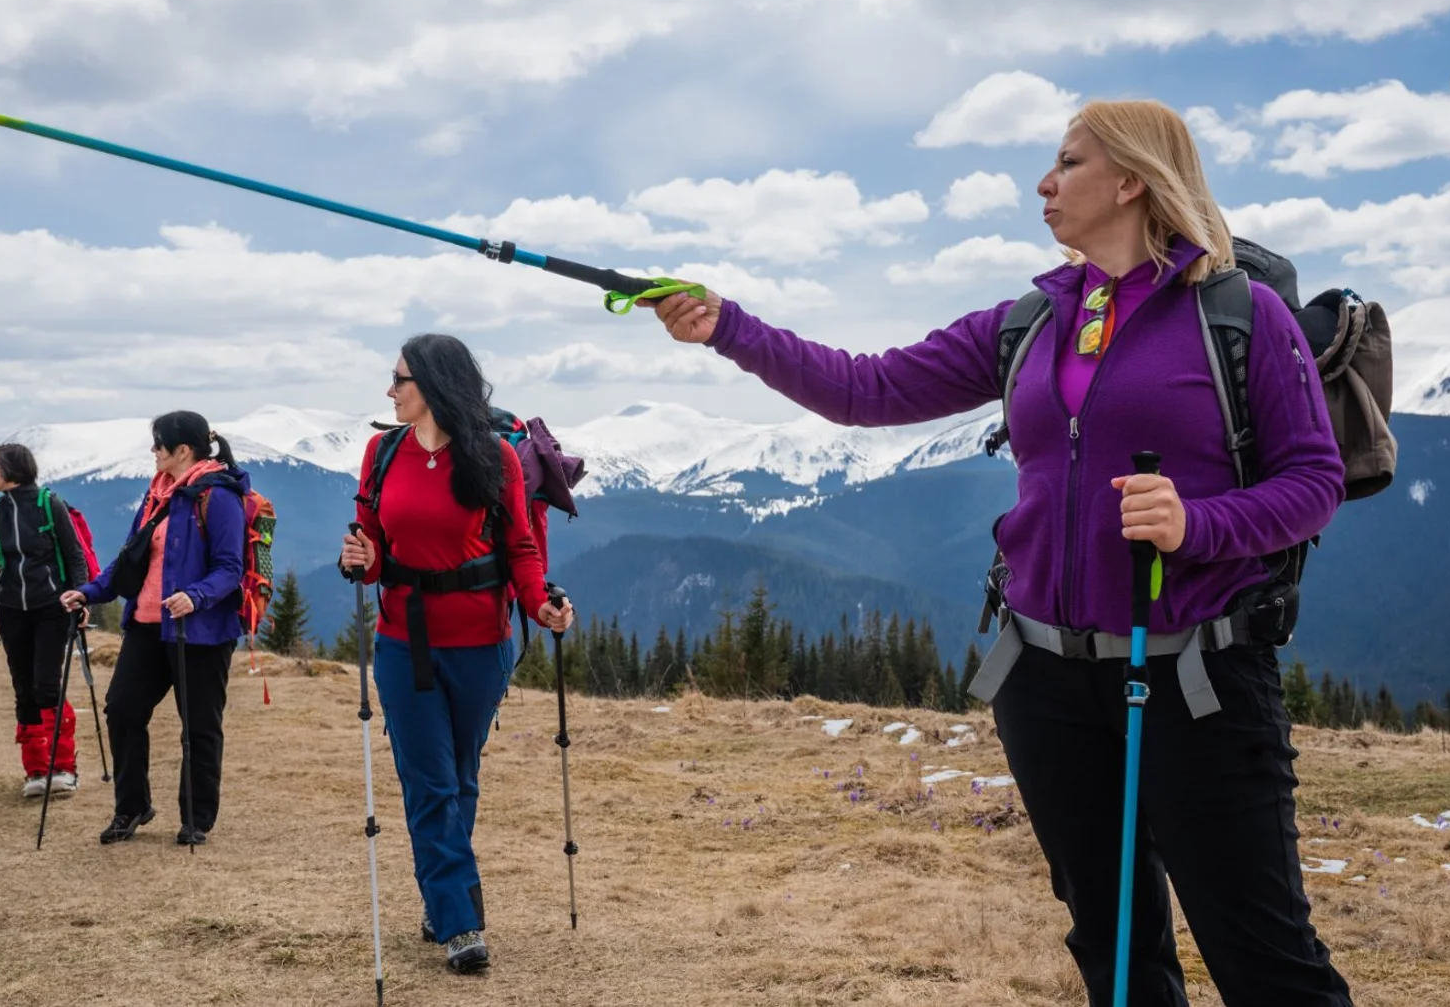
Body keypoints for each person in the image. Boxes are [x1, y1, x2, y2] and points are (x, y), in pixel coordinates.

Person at [645, 101, 1353, 1007]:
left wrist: (1197, 525)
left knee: (1263, 956)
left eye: (1066, 163)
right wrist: (729, 329)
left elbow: (1312, 482)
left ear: (1132, 179)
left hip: (1195, 678)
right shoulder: (1033, 319)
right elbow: (868, 388)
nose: (1042, 183)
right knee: (1115, 948)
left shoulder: (1238, 315)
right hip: (1046, 683)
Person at [337, 333, 577, 976]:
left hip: (480, 644)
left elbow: (520, 548)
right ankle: (460, 922)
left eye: (400, 380)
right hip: (401, 640)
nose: (390, 392)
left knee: (461, 778)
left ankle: (441, 896)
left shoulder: (493, 456)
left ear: (436, 385)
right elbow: (371, 542)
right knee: (431, 783)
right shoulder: (380, 453)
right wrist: (357, 561)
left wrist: (540, 605)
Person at [62, 411, 250, 848]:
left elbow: (230, 568)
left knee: (199, 726)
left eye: (159, 444)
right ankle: (132, 807)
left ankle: (196, 819)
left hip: (200, 632)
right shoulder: (157, 495)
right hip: (147, 625)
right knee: (122, 710)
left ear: (183, 450)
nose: (153, 451)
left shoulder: (217, 496)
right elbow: (130, 559)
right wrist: (88, 592)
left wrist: (196, 596)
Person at [0, 443, 90, 800]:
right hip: (12, 610)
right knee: (24, 688)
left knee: (46, 686)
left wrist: (82, 596)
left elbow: (74, 555)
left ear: (10, 470)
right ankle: (37, 769)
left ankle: (63, 767)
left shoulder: (48, 505)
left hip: (52, 608)